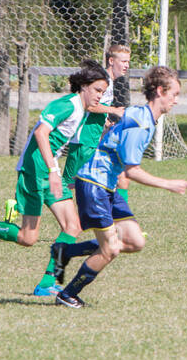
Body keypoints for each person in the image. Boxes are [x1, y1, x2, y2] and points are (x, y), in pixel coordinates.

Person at [0, 63, 110, 293]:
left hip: (49, 170)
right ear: (83, 87)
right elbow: (40, 133)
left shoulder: (82, 109)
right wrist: (54, 171)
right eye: (97, 90)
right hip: (35, 170)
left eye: (103, 92)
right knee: (27, 237)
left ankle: (46, 283)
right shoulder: (67, 105)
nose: (100, 96)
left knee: (72, 226)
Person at [53, 66, 187, 309]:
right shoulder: (141, 123)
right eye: (174, 94)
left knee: (135, 241)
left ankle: (66, 251)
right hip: (94, 184)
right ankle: (67, 293)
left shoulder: (142, 115)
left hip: (106, 186)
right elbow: (131, 170)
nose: (176, 101)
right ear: (160, 91)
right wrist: (168, 184)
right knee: (110, 250)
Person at [46, 43, 131, 289]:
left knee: (115, 181)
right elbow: (90, 106)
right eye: (122, 61)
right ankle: (51, 274)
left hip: (92, 142)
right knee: (72, 211)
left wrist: (107, 125)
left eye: (128, 61)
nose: (126, 65)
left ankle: (114, 228)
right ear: (110, 61)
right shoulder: (103, 81)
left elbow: (95, 113)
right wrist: (114, 111)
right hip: (83, 144)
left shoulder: (108, 83)